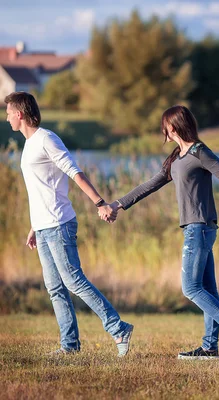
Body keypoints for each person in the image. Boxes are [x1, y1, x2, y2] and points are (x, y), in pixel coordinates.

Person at [101, 105, 219, 362]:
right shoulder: (176, 157)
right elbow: (150, 184)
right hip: (195, 228)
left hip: (200, 227)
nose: (163, 130)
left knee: (191, 288)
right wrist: (118, 204)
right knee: (207, 288)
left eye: (165, 125)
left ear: (173, 126)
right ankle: (210, 348)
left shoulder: (200, 152)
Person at [5, 91, 133, 356]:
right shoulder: (29, 144)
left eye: (8, 113)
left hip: (59, 224)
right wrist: (33, 227)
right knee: (55, 288)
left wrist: (100, 203)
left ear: (19, 114)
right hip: (43, 227)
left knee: (73, 281)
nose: (6, 118)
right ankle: (70, 345)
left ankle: (118, 328)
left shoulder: (46, 139)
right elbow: (40, 190)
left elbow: (75, 173)